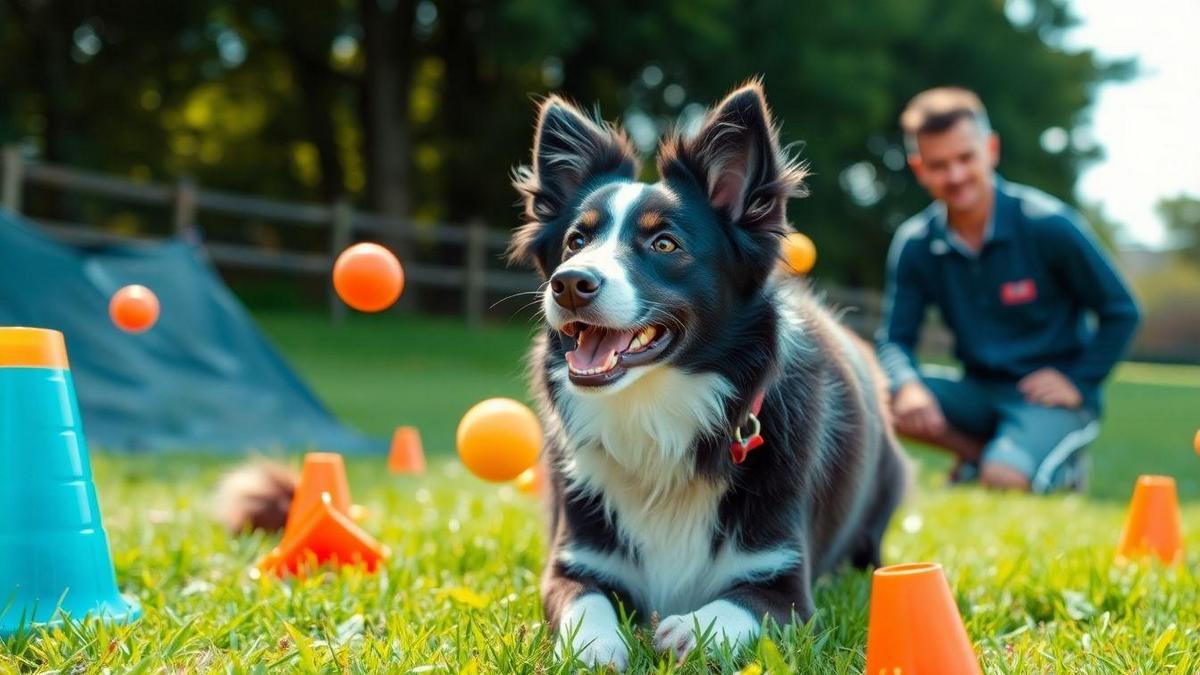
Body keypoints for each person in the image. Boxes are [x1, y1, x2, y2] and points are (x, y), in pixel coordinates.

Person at [876, 87, 1141, 493]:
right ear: (919, 168)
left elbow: (1121, 310)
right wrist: (909, 388)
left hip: (1048, 399)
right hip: (978, 393)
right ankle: (980, 456)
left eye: (966, 158)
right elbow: (895, 340)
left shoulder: (1047, 224)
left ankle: (1051, 468)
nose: (956, 176)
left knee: (1004, 479)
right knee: (867, 397)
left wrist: (1079, 381)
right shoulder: (915, 244)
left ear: (991, 149)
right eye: (939, 165)